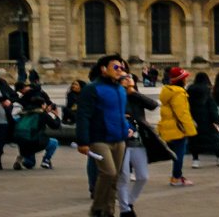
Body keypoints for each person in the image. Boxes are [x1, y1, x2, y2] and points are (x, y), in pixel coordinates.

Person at [77, 55, 130, 217]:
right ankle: (96, 209)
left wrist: (127, 128)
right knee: (108, 173)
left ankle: (109, 211)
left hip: (119, 139)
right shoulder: (92, 88)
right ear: (103, 69)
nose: (120, 70)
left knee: (115, 178)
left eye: (121, 68)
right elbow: (83, 115)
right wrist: (83, 141)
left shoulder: (120, 89)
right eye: (116, 67)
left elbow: (121, 114)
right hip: (99, 139)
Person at [118, 71, 164, 217]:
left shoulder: (135, 96)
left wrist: (133, 92)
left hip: (139, 141)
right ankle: (125, 209)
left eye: (130, 77)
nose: (128, 80)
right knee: (124, 176)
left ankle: (129, 202)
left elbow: (153, 105)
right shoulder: (117, 96)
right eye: (125, 78)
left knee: (143, 176)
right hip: (122, 141)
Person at [157, 66, 198, 186]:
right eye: (185, 78)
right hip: (178, 128)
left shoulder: (168, 91)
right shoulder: (179, 93)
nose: (186, 80)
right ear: (181, 80)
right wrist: (191, 130)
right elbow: (182, 113)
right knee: (179, 154)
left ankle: (177, 176)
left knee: (176, 153)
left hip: (168, 126)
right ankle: (176, 177)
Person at [12, 90, 61, 169]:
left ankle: (21, 158)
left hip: (20, 141)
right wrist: (56, 116)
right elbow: (55, 126)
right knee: (54, 142)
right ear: (42, 105)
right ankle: (46, 161)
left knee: (30, 164)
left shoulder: (24, 112)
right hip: (35, 141)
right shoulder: (42, 114)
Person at [187, 72, 219, 171]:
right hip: (207, 119)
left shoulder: (190, 89)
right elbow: (212, 107)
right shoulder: (208, 90)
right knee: (214, 140)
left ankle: (196, 160)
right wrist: (217, 120)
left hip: (194, 119)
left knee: (195, 141)